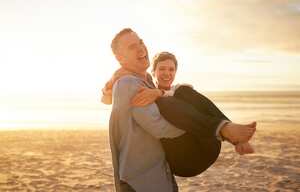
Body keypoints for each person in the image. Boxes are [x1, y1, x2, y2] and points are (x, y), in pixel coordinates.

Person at [104, 28, 256, 192]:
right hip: (141, 179)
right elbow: (158, 126)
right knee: (170, 100)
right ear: (120, 58)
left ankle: (227, 129)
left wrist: (157, 92)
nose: (141, 48)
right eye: (132, 47)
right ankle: (224, 129)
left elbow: (106, 98)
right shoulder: (128, 83)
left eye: (140, 42)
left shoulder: (145, 79)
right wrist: (196, 129)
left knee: (182, 93)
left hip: (160, 171)